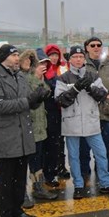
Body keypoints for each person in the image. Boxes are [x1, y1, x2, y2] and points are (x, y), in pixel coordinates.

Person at [0, 44, 46, 217]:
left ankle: (17, 209)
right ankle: (5, 215)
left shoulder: (20, 75)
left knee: (20, 176)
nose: (17, 58)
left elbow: (27, 103)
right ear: (3, 57)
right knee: (6, 178)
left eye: (18, 54)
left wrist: (38, 99)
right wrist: (28, 101)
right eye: (14, 55)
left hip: (23, 135)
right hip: (6, 135)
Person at [55, 46, 109, 199]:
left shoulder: (92, 76)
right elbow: (61, 100)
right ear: (70, 59)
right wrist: (76, 89)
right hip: (71, 123)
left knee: (101, 153)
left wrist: (90, 87)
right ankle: (78, 185)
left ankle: (105, 183)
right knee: (74, 156)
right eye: (75, 57)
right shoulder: (63, 78)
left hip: (91, 122)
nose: (78, 59)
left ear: (84, 58)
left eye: (80, 56)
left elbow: (102, 95)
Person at [80, 37, 109, 185]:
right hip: (87, 112)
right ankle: (84, 173)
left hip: (106, 110)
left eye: (99, 45)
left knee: (107, 146)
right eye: (92, 45)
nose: (96, 47)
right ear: (87, 48)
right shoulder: (81, 63)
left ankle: (108, 172)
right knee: (85, 147)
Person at [18, 49, 58, 205]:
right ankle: (20, 193)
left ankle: (38, 187)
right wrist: (36, 77)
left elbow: (46, 92)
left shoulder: (39, 77)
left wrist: (40, 78)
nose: (43, 66)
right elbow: (31, 96)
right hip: (27, 126)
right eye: (39, 63)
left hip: (40, 125)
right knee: (22, 163)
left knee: (37, 160)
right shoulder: (22, 77)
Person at [42, 44, 70, 186]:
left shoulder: (62, 68)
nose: (54, 57)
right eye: (51, 55)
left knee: (60, 141)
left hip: (62, 111)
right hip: (50, 111)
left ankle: (60, 166)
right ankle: (49, 170)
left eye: (56, 55)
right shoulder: (44, 71)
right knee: (50, 143)